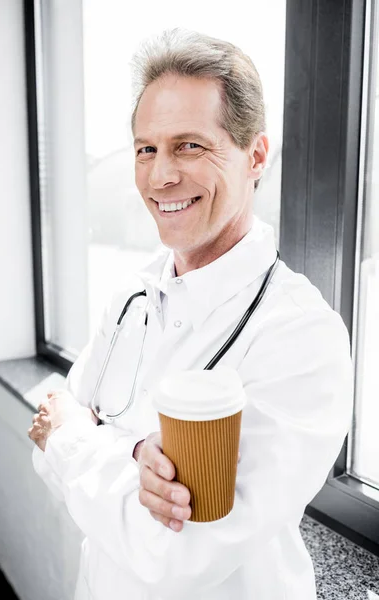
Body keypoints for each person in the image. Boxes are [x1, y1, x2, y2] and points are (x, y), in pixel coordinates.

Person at [28, 28, 353, 600]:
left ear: (255, 155)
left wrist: (75, 443)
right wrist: (129, 454)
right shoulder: (133, 295)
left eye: (190, 146)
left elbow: (173, 553)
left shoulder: (302, 335)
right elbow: (50, 443)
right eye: (146, 148)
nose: (160, 176)